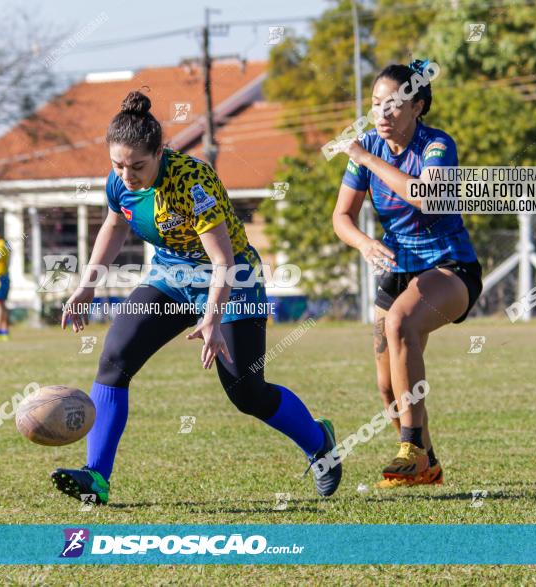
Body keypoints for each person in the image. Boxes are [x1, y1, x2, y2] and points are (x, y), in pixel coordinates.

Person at [51, 90, 342, 505]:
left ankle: (320, 444)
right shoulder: (119, 183)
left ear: (160, 151)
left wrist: (210, 317)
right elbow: (114, 227)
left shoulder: (193, 181)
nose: (126, 175)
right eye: (117, 165)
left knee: (245, 390)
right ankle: (96, 477)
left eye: (137, 165)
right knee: (115, 358)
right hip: (171, 276)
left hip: (234, 280)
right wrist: (87, 284)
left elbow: (222, 259)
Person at [332, 60, 483, 488]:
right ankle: (427, 464)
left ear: (417, 107)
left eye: (394, 106)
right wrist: (363, 243)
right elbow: (341, 216)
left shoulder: (436, 146)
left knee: (400, 324)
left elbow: (425, 195)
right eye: (377, 105)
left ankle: (411, 447)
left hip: (450, 268)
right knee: (387, 387)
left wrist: (365, 157)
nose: (382, 114)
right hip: (398, 272)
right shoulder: (368, 147)